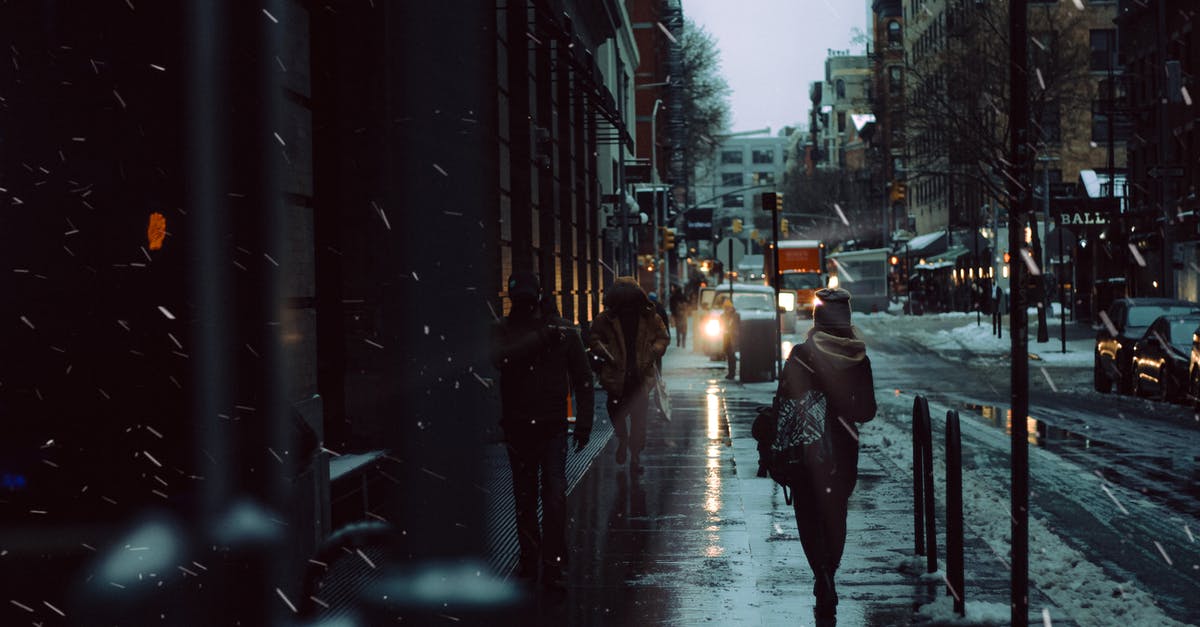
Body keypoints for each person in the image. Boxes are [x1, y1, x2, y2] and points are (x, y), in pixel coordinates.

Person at [774, 287, 876, 624]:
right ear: (847, 319)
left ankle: (820, 572)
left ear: (817, 319)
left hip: (805, 448)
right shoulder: (859, 358)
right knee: (836, 513)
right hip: (843, 448)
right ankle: (829, 569)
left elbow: (783, 401)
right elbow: (867, 411)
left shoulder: (802, 354)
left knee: (807, 513)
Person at [490, 272, 594, 588]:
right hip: (524, 427)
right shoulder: (509, 331)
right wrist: (542, 339)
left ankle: (549, 563)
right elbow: (502, 358)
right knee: (530, 497)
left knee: (551, 497)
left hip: (548, 427)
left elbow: (583, 378)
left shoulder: (562, 333)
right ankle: (534, 558)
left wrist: (585, 423)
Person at [588, 277, 669, 474]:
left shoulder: (649, 317)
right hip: (617, 377)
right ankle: (624, 440)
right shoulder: (606, 319)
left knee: (639, 420)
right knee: (618, 412)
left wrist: (652, 351)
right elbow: (594, 339)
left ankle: (634, 456)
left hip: (640, 378)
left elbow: (663, 338)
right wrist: (606, 352)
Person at [721, 300, 740, 380]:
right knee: (729, 355)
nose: (726, 309)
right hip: (726, 337)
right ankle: (730, 372)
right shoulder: (724, 316)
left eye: (728, 308)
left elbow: (737, 326)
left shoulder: (735, 315)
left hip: (733, 338)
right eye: (725, 308)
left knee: (732, 355)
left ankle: (732, 373)